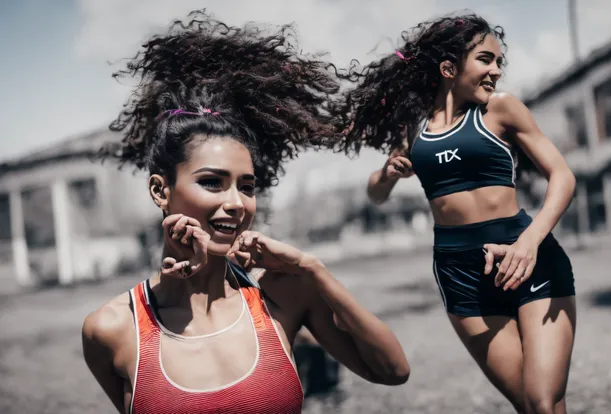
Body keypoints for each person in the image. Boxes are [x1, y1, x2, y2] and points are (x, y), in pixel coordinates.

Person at [81, 12, 409, 414]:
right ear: (159, 190)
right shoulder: (112, 329)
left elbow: (393, 371)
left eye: (247, 186)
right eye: (212, 182)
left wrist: (312, 269)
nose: (237, 203)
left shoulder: (282, 296)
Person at [340, 14, 577, 414]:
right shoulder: (413, 131)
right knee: (531, 404)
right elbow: (376, 195)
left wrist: (530, 242)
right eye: (486, 60)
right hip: (461, 274)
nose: (496, 72)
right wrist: (387, 173)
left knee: (542, 398)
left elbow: (563, 176)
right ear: (449, 68)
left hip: (529, 258)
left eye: (500, 62)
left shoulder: (501, 110)